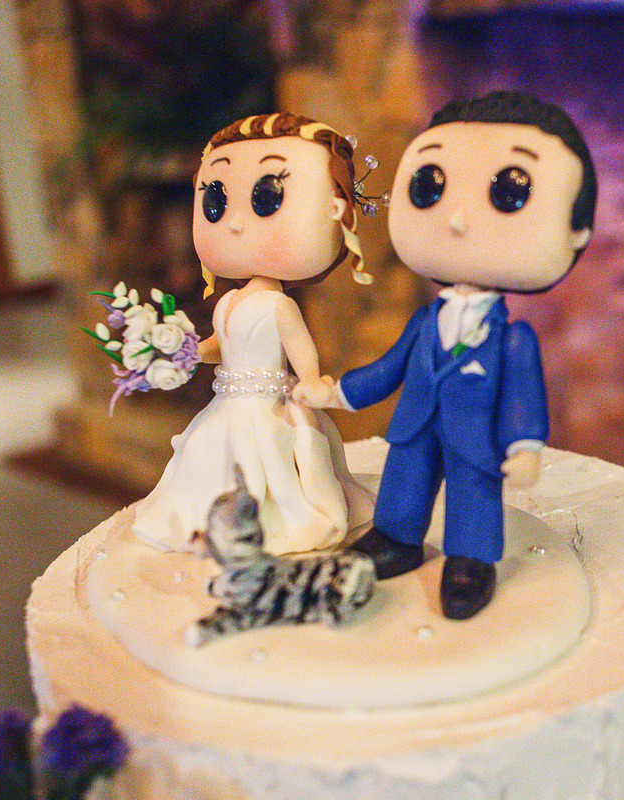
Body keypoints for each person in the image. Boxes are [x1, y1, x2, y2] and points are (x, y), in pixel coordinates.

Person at [300, 91, 597, 619]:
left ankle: (471, 560)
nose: (458, 219)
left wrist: (526, 446)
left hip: (476, 439)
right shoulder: (424, 321)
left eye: (509, 193)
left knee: (474, 495)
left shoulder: (513, 340)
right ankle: (397, 538)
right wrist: (338, 391)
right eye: (429, 186)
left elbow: (523, 397)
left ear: (576, 232)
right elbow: (389, 368)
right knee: (404, 484)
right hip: (414, 427)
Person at [132, 113, 373, 556]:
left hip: (270, 408)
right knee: (207, 454)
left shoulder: (279, 306)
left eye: (266, 199)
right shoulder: (226, 302)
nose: (236, 223)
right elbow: (218, 347)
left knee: (270, 466)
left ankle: (271, 523)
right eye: (215, 203)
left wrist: (312, 381)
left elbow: (301, 351)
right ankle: (209, 524)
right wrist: (184, 353)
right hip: (227, 404)